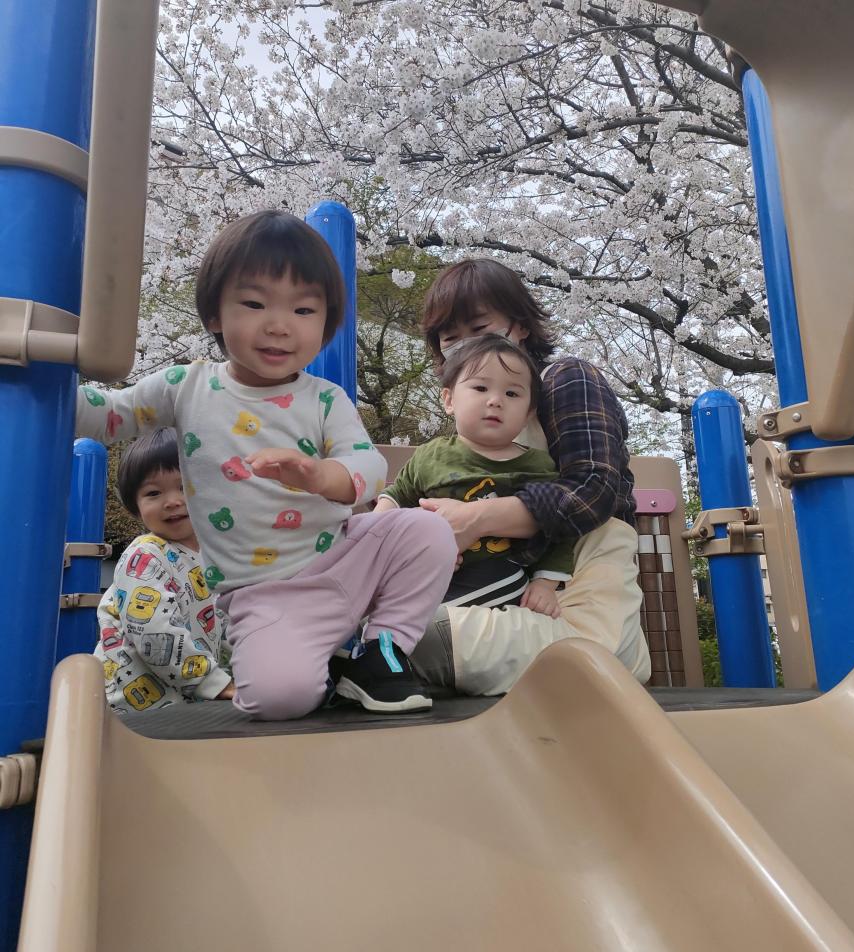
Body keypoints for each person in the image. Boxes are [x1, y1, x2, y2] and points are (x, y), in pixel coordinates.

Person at [79, 209, 456, 719]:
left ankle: (379, 652)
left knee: (427, 532)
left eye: (304, 311)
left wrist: (322, 475)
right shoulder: (185, 388)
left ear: (325, 324)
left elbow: (367, 464)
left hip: (344, 556)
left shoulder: (325, 398)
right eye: (254, 303)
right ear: (215, 314)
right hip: (266, 593)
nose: (279, 326)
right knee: (280, 700)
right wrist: (51, 374)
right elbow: (111, 416)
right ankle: (329, 661)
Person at [411, 258, 651, 695]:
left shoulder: (564, 378)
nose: (467, 348)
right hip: (496, 594)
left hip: (580, 584)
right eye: (451, 340)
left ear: (519, 326)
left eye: (480, 329)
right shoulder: (471, 428)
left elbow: (594, 490)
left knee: (424, 638)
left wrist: (476, 518)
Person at [375, 334, 573, 617]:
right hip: (429, 573)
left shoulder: (537, 466)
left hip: (501, 574)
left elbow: (560, 531)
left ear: (529, 412)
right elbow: (398, 495)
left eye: (512, 394)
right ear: (449, 399)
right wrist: (378, 523)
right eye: (480, 387)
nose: (495, 401)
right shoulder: (431, 455)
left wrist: (545, 583)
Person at [95, 428, 234, 713]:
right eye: (154, 493)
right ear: (136, 507)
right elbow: (154, 633)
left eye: (185, 487)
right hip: (133, 708)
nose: (172, 501)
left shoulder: (215, 560)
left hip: (187, 704)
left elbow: (228, 625)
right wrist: (216, 683)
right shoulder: (145, 555)